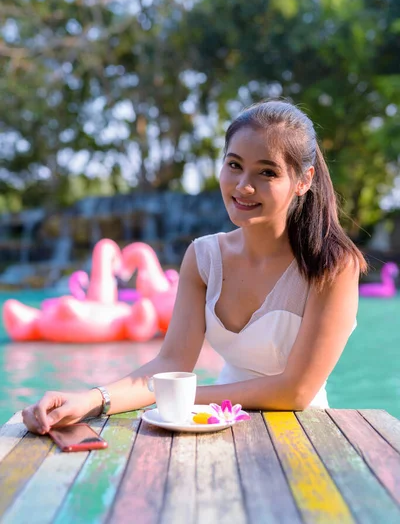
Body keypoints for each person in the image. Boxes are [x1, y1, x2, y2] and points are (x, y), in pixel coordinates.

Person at [22, 100, 367, 434]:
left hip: (306, 437)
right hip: (214, 428)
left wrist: (178, 397)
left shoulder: (332, 266)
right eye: (234, 165)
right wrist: (92, 400)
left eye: (267, 172)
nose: (243, 186)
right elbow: (170, 364)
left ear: (303, 180)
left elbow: (295, 392)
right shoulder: (203, 258)